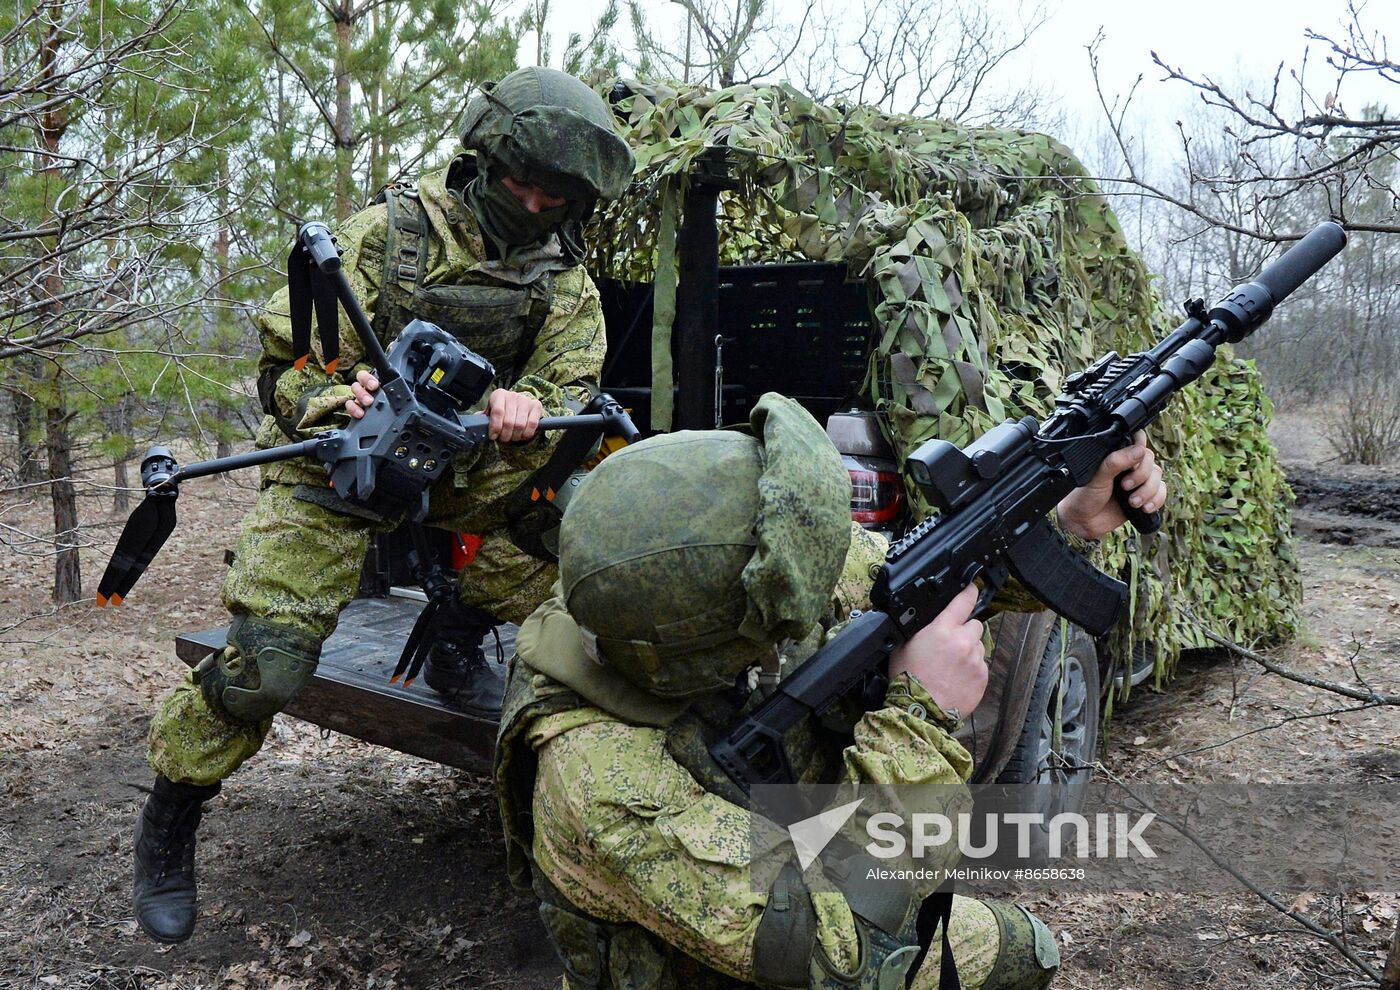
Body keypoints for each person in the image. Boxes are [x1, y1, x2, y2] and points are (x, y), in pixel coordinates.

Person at [131, 67, 635, 945]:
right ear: (486, 158)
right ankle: (174, 811)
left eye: (556, 195)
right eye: (521, 181)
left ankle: (459, 619)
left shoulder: (567, 283)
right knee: (269, 670)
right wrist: (335, 398)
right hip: (344, 467)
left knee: (606, 562)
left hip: (469, 469)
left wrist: (532, 406)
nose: (534, 203)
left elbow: (568, 382)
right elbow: (284, 369)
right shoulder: (387, 237)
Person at [494, 393, 1166, 989]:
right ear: (728, 644)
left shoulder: (681, 579)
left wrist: (1063, 519)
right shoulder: (599, 783)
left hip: (790, 843)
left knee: (1007, 943)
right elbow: (849, 948)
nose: (813, 599)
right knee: (994, 947)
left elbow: (895, 585)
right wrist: (920, 717)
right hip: (726, 947)